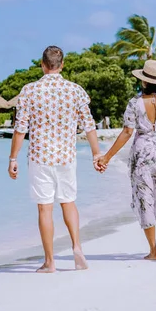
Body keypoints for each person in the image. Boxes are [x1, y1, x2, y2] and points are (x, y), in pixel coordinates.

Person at [8, 45, 101, 273]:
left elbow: (20, 129)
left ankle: (50, 262)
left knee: (45, 209)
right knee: (68, 201)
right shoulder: (75, 90)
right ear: (62, 65)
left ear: (42, 65)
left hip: (40, 157)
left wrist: (13, 158)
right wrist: (96, 153)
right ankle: (77, 247)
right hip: (66, 157)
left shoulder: (29, 91)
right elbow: (88, 125)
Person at [96, 59, 156, 263]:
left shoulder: (134, 103)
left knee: (144, 199)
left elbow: (127, 132)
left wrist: (107, 157)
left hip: (142, 154)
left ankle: (153, 250)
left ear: (144, 81)